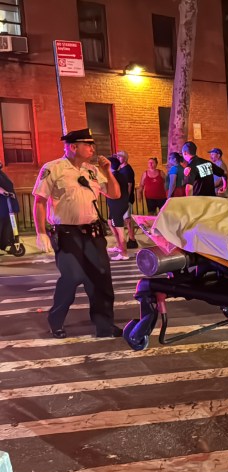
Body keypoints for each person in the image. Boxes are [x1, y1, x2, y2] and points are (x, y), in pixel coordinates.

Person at [32, 128, 123, 339]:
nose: (92, 148)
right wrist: (41, 232)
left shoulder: (92, 170)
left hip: (92, 233)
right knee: (72, 278)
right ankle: (56, 320)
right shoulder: (53, 168)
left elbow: (115, 194)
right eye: (88, 145)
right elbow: (40, 201)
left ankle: (104, 326)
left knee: (101, 279)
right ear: (74, 147)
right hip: (66, 233)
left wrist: (108, 171)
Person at [104, 155, 132, 261]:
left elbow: (112, 191)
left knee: (119, 228)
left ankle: (124, 253)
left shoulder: (115, 177)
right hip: (116, 204)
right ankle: (119, 246)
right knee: (110, 222)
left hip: (118, 205)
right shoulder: (118, 175)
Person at [115, 150, 138, 249]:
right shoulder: (121, 169)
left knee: (128, 220)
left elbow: (129, 185)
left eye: (119, 156)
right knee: (126, 219)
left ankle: (132, 239)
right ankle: (130, 239)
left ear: (124, 158)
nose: (118, 158)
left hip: (126, 199)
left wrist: (126, 199)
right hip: (122, 198)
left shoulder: (127, 170)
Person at [0, 161, 17, 250]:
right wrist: (5, 192)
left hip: (7, 204)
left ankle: (4, 244)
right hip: (2, 205)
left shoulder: (2, 173)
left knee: (7, 226)